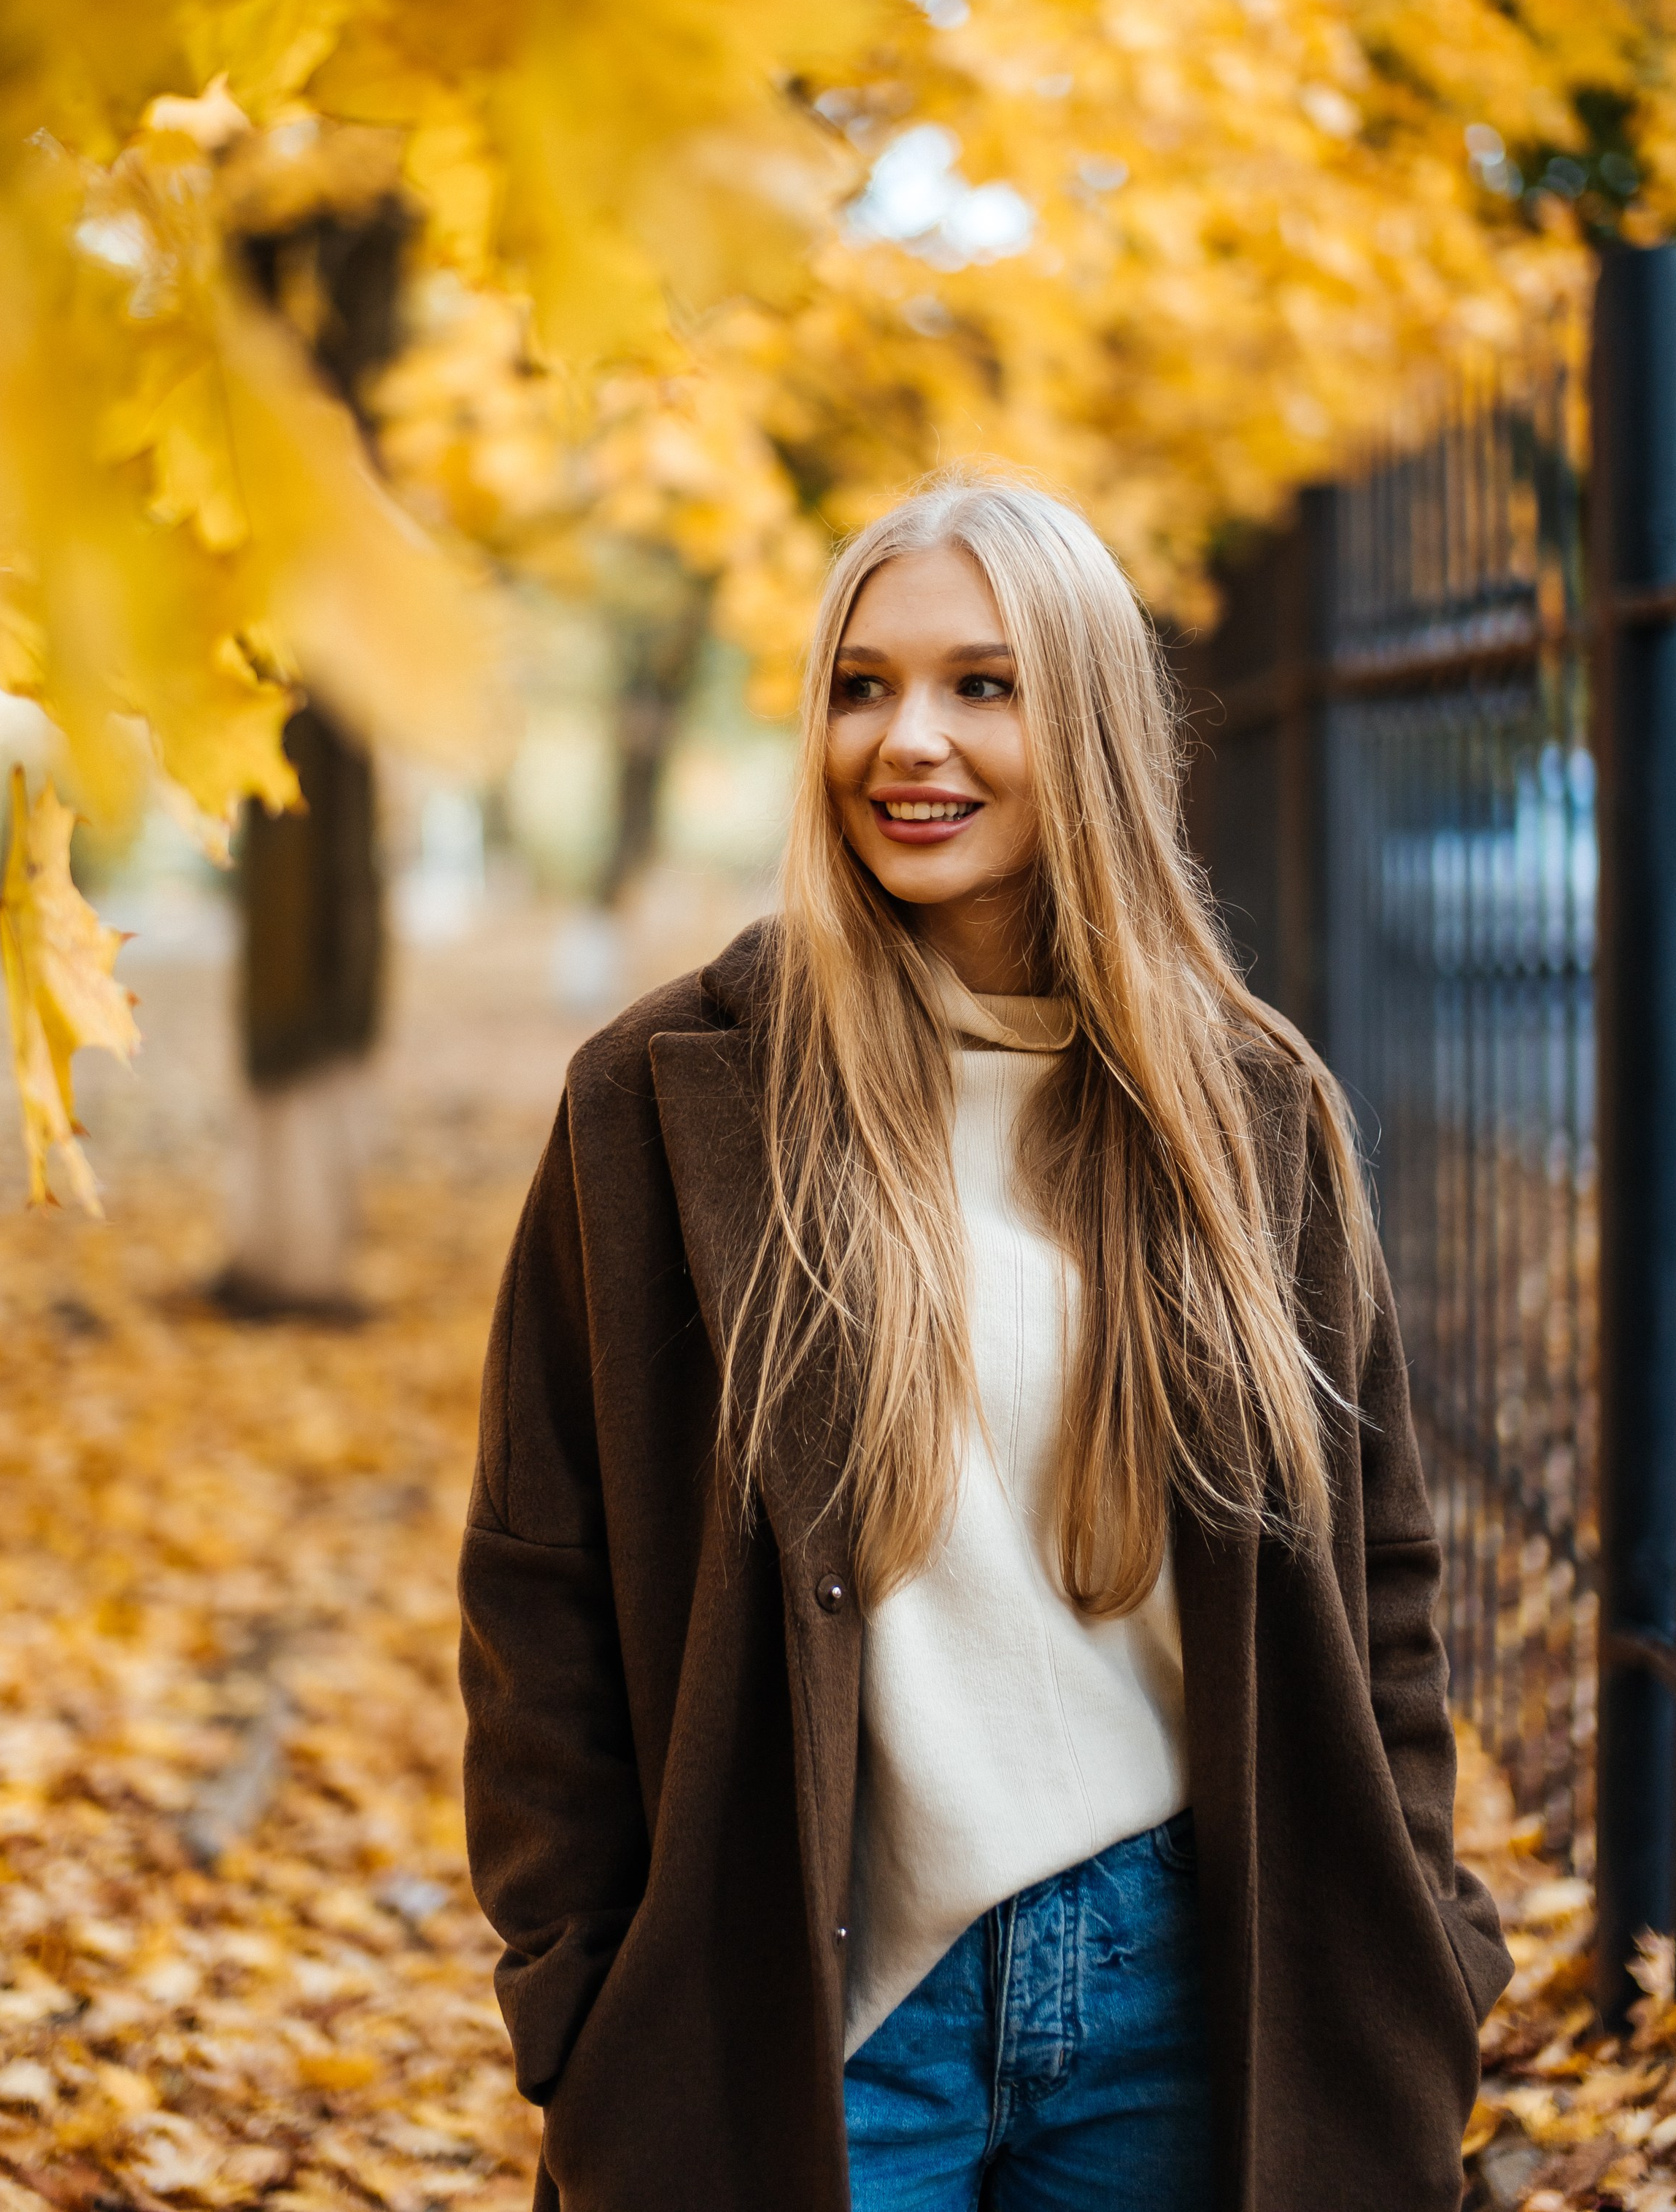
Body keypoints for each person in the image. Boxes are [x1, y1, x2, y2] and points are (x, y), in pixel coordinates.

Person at [458, 473, 1511, 2212]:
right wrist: (577, 1999)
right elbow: (537, 1585)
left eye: (983, 684)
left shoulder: (1251, 1111)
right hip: (807, 2013)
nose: (907, 741)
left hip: (1194, 1990)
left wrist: (1431, 1943)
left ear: (1085, 721)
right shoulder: (659, 1103)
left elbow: (1379, 1570)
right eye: (862, 686)